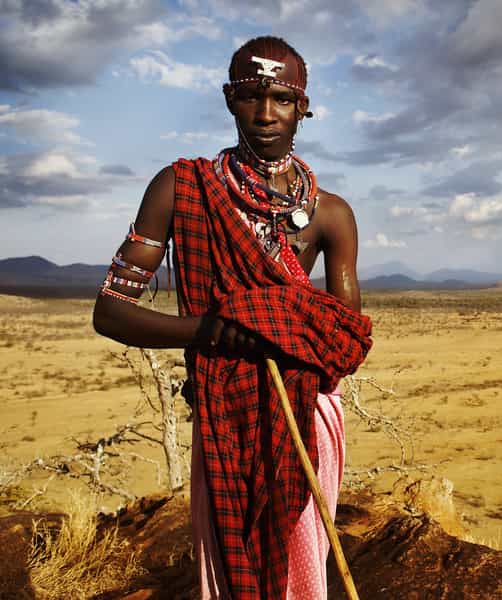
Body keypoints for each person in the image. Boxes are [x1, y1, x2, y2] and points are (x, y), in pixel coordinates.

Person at [92, 36, 373, 599]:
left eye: (281, 99)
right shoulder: (180, 188)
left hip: (306, 412)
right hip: (224, 410)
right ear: (228, 100)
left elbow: (344, 337)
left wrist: (273, 322)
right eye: (250, 97)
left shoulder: (332, 215)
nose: (266, 114)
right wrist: (206, 331)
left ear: (304, 107)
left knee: (300, 563)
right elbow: (110, 311)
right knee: (231, 561)